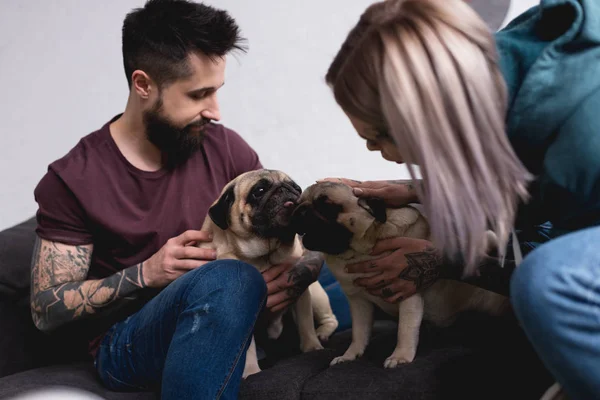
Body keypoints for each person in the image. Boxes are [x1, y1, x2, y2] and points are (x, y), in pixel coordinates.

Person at [29, 1, 322, 399]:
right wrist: (145, 273)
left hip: (242, 311)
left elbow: (303, 238)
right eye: (199, 94)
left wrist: (292, 279)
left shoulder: (226, 148)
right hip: (127, 344)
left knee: (350, 259)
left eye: (216, 91)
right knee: (231, 278)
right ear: (144, 84)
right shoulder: (73, 178)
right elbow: (44, 311)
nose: (215, 111)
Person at [322, 0, 600, 399]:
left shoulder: (583, 144)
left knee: (547, 280)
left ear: (425, 119)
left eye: (377, 138)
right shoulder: (502, 66)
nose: (372, 151)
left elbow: (556, 274)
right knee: (335, 279)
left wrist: (447, 263)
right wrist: (422, 189)